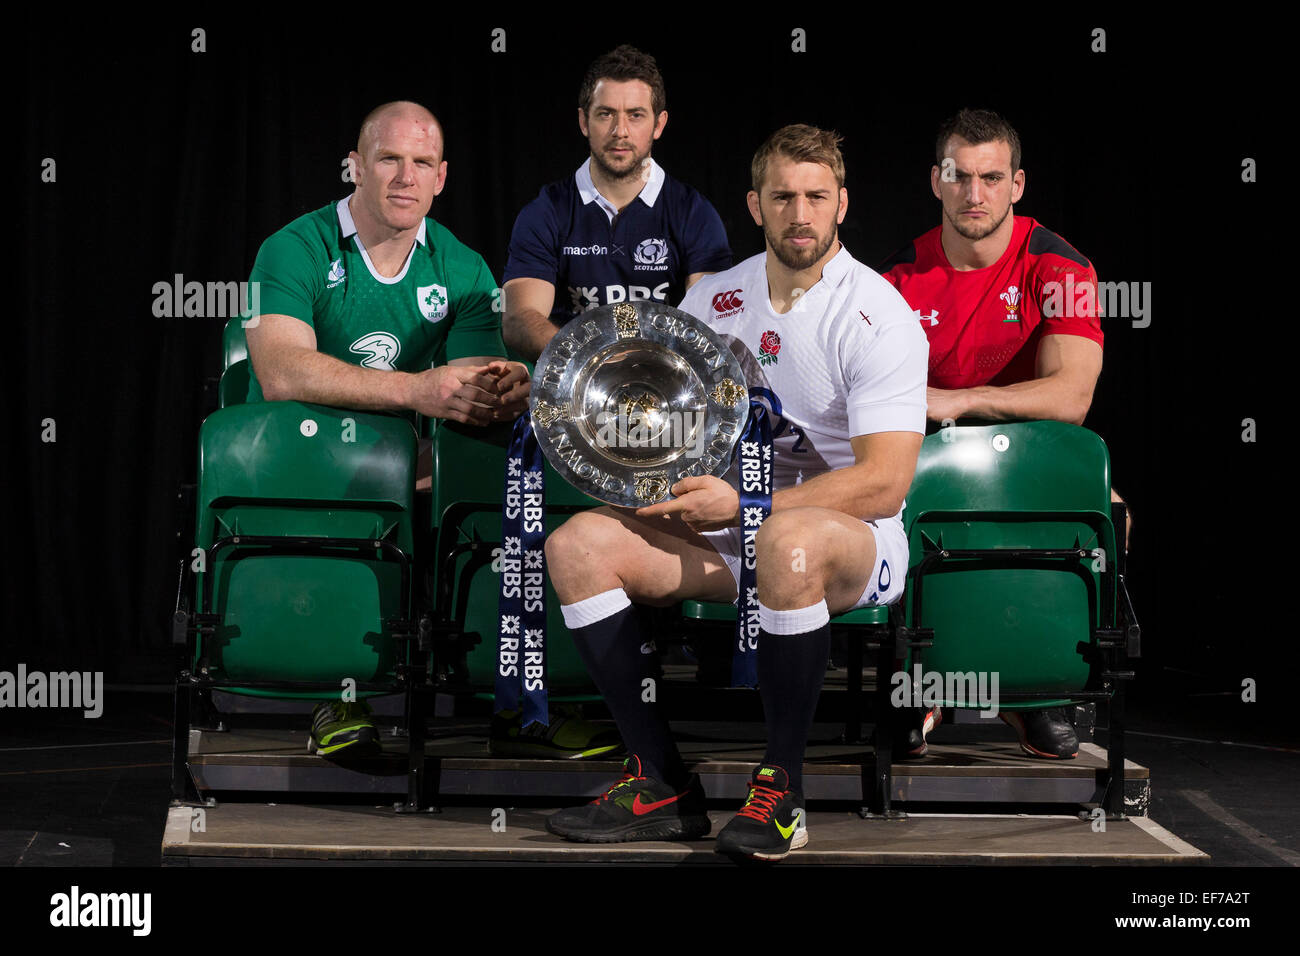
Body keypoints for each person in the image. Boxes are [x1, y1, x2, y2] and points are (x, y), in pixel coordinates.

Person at [542, 125, 928, 861]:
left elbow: (885, 482)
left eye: (817, 195)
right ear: (755, 204)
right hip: (730, 528)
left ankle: (782, 792)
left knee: (787, 542)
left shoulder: (878, 315)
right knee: (577, 545)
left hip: (849, 537)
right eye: (783, 196)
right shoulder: (714, 299)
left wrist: (750, 509)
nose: (800, 213)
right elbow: (666, 433)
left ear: (843, 203)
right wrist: (630, 473)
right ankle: (660, 782)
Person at [243, 100, 530, 756]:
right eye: (389, 158)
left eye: (421, 162)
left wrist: (504, 390)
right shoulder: (291, 248)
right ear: (356, 166)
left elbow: (473, 382)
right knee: (355, 484)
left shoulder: (462, 267)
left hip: (417, 459)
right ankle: (336, 696)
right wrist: (416, 391)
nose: (405, 176)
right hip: (309, 456)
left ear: (441, 176)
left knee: (506, 479)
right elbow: (281, 373)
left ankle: (520, 703)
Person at [881, 107, 1109, 760]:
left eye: (991, 177)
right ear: (936, 181)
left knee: (1113, 515)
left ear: (1017, 184)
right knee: (877, 505)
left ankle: (1038, 688)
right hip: (932, 470)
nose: (974, 194)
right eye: (959, 177)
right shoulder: (897, 279)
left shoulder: (1060, 267)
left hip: (1033, 466)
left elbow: (1071, 398)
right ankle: (923, 685)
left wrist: (959, 401)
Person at [502, 44, 732, 363]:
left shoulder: (695, 214)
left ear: (659, 124)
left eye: (635, 115)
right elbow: (519, 319)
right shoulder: (546, 212)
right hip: (574, 384)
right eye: (605, 114)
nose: (619, 131)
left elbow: (712, 326)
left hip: (665, 388)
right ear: (584, 121)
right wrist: (598, 363)